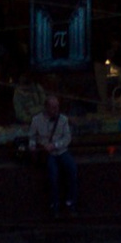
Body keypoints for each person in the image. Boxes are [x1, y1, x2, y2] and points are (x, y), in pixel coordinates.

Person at [30, 98, 74, 235]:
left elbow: (67, 138)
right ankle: (54, 205)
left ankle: (70, 202)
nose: (55, 110)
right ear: (46, 108)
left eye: (57, 107)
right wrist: (32, 146)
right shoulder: (37, 120)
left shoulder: (63, 120)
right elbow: (32, 136)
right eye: (53, 108)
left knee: (72, 169)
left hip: (61, 151)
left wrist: (55, 145)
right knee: (52, 175)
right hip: (47, 153)